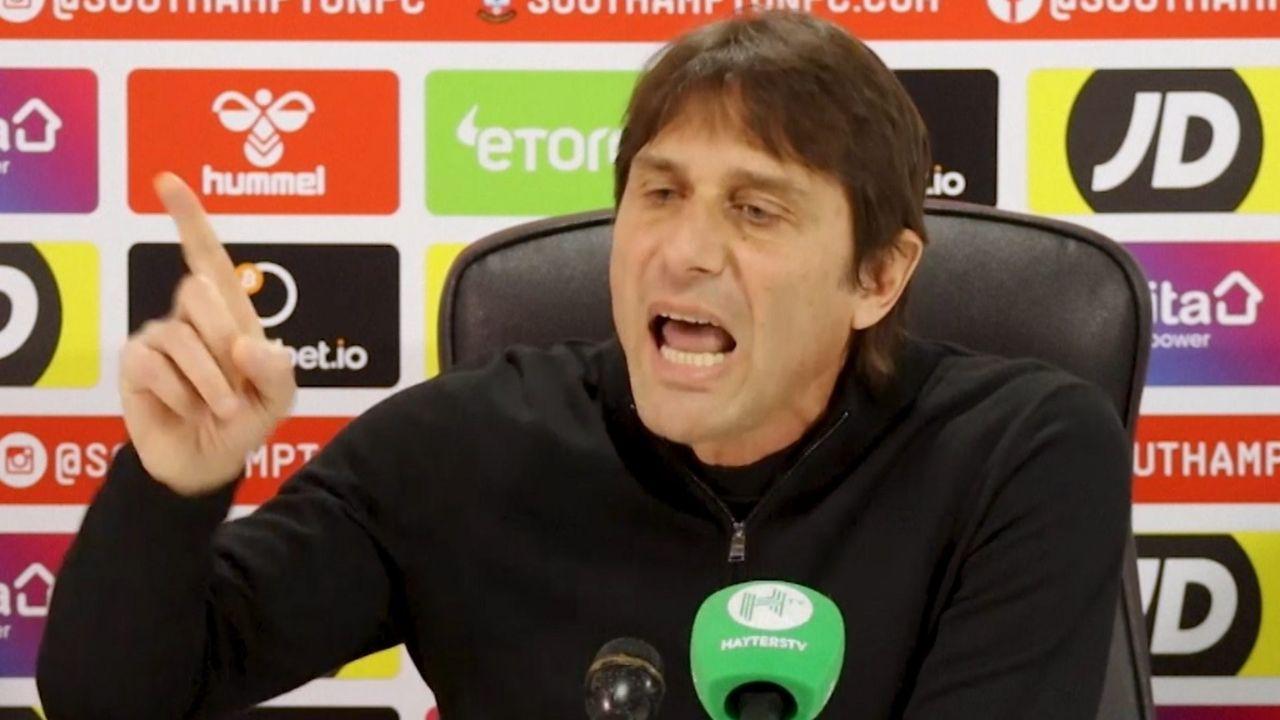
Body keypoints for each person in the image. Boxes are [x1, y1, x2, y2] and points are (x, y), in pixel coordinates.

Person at [35, 10, 1131, 719]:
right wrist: (171, 486)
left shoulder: (1017, 451)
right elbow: (114, 700)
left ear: (877, 277)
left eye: (755, 209)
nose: (684, 250)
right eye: (660, 193)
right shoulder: (460, 446)